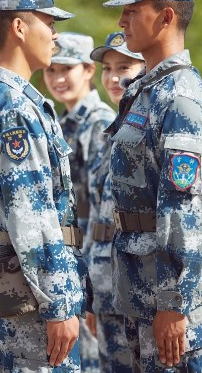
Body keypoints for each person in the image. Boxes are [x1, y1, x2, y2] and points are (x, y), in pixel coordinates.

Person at [102, 0, 202, 372]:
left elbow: (185, 208)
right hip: (141, 288)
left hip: (169, 300)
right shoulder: (147, 89)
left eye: (133, 10)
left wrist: (173, 304)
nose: (122, 20)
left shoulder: (180, 98)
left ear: (167, 16)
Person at [0, 0, 90, 372]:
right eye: (48, 23)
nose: (54, 35)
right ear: (19, 27)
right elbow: (30, 216)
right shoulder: (15, 107)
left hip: (14, 288)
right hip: (33, 305)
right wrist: (58, 305)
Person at [43, 31, 116, 373]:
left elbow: (102, 211)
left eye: (66, 69)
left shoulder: (98, 122)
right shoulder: (61, 122)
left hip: (90, 259)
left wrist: (93, 284)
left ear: (88, 70)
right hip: (72, 256)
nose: (57, 79)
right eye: (51, 70)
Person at [85, 31, 144, 373]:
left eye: (123, 66)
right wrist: (93, 293)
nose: (112, 77)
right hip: (106, 284)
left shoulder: (147, 125)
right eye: (107, 68)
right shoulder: (114, 128)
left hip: (137, 288)